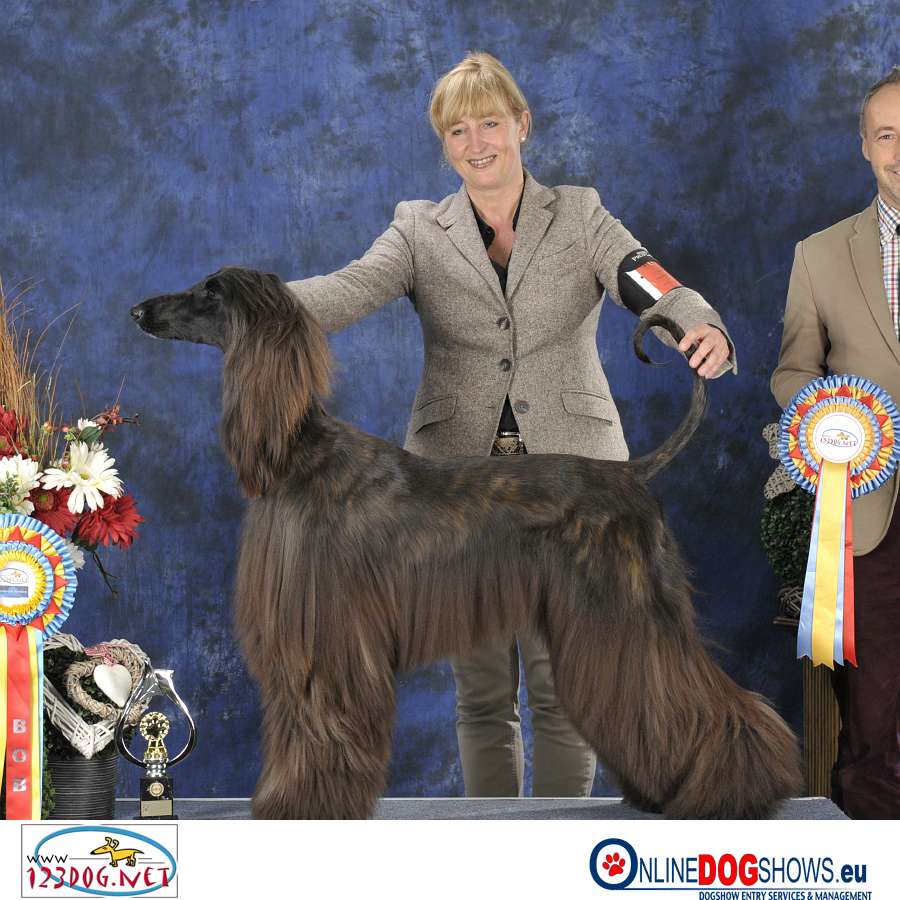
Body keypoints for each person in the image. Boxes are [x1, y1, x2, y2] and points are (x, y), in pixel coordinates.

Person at [287, 52, 734, 798]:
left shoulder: (581, 214)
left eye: (490, 123)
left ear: (522, 125)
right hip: (455, 492)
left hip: (575, 484)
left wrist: (699, 323)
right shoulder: (417, 229)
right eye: (457, 130)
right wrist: (254, 303)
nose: (476, 143)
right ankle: (490, 843)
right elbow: (346, 290)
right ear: (444, 144)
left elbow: (648, 278)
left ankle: (560, 843)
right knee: (483, 693)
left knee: (571, 686)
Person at [771, 66, 900, 819]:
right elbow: (794, 371)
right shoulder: (818, 255)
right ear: (864, 146)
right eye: (886, 135)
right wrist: (832, 423)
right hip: (869, 508)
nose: (899, 151)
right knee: (874, 713)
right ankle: (877, 845)